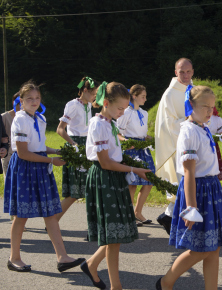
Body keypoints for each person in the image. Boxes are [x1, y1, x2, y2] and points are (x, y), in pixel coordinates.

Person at [156, 85, 222, 290]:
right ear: (191, 105)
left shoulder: (203, 127)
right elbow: (189, 172)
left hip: (212, 188)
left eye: (212, 107)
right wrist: (191, 207)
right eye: (205, 106)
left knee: (214, 247)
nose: (210, 111)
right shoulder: (189, 131)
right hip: (197, 191)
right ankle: (166, 282)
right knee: (199, 249)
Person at [3, 80, 85, 272]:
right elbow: (22, 153)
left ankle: (62, 257)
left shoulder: (40, 119)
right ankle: (14, 258)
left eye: (37, 98)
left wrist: (57, 151)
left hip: (40, 167)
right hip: (25, 168)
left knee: (49, 213)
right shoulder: (20, 119)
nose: (34, 101)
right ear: (21, 101)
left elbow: (39, 147)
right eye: (29, 98)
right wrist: (51, 161)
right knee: (21, 215)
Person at [81, 81, 150, 290]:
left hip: (114, 176)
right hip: (105, 177)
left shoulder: (109, 122)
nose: (123, 112)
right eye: (120, 108)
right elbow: (105, 162)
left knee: (116, 233)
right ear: (106, 102)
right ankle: (115, 286)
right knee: (113, 234)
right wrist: (134, 170)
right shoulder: (99, 124)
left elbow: (114, 150)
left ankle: (92, 265)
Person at [155, 58, 194, 234]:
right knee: (183, 182)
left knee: (188, 182)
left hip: (193, 141)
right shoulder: (170, 94)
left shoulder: (193, 89)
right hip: (177, 145)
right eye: (181, 72)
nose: (185, 75)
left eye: (188, 71)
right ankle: (175, 219)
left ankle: (169, 216)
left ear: (192, 71)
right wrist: (189, 121)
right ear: (175, 72)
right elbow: (168, 124)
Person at [56, 76, 99, 223]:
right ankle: (53, 222)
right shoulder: (73, 105)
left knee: (91, 188)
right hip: (77, 146)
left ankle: (93, 226)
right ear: (85, 90)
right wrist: (74, 145)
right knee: (75, 193)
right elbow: (60, 129)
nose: (94, 97)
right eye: (93, 93)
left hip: (87, 145)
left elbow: (95, 106)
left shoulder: (87, 104)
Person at [117, 84, 155, 226]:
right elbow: (117, 132)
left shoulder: (144, 113)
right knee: (132, 183)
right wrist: (126, 141)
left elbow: (142, 133)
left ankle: (137, 212)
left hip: (143, 149)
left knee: (149, 180)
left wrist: (147, 138)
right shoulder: (126, 112)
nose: (145, 99)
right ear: (134, 96)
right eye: (143, 96)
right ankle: (128, 215)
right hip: (131, 149)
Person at [1, 93, 20, 177]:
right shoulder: (4, 117)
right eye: (19, 103)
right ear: (14, 103)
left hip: (23, 154)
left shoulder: (28, 118)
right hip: (8, 155)